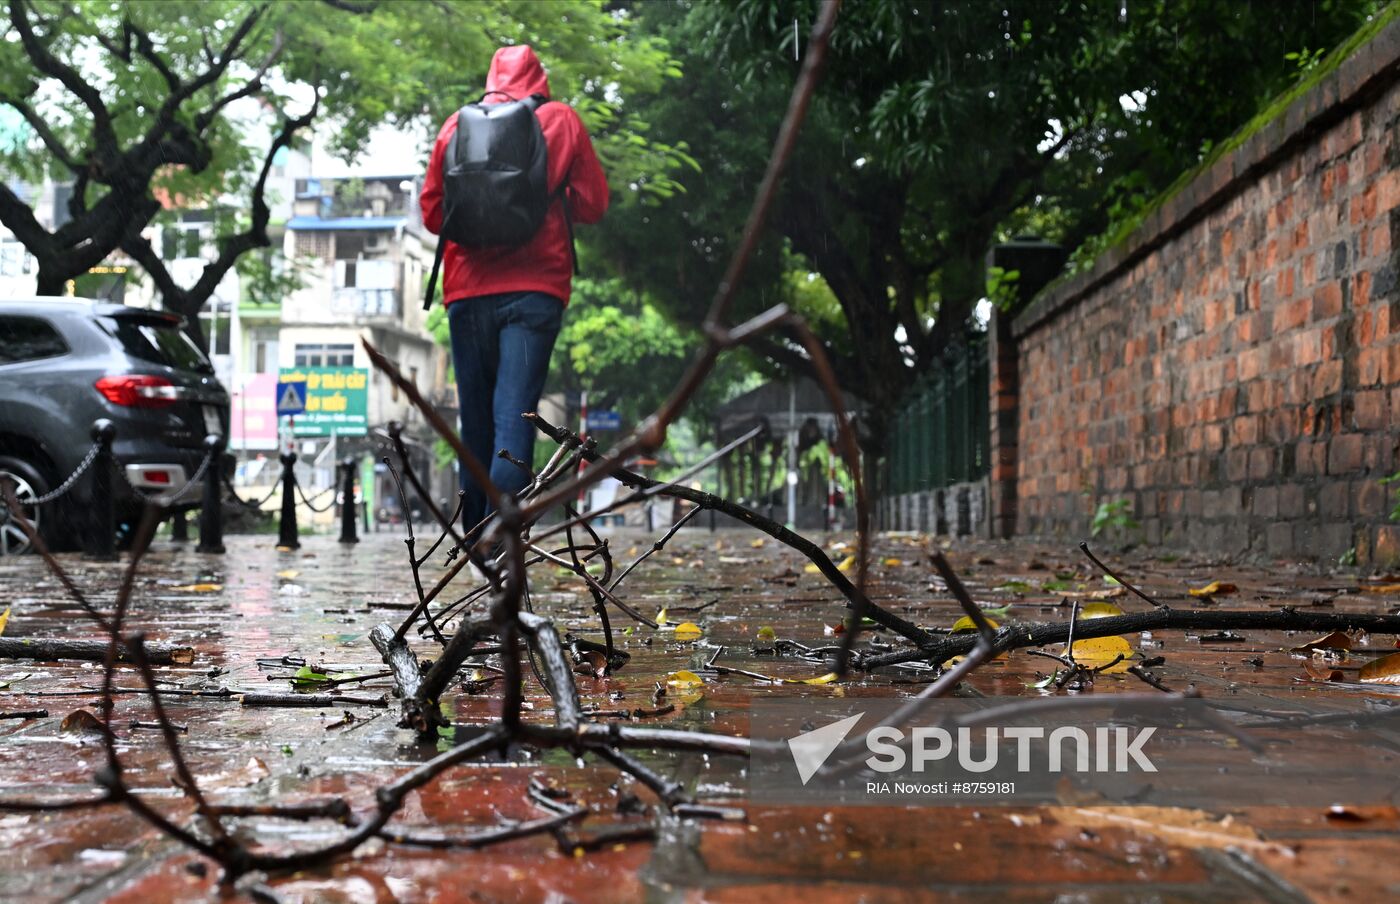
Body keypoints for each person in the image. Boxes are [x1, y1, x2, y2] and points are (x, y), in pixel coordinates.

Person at [420, 45, 608, 534]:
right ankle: (504, 553)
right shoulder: (562, 120)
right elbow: (593, 204)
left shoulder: (454, 126)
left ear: (491, 79)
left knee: (475, 428)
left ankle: (473, 548)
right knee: (513, 422)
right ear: (539, 80)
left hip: (466, 292)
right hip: (534, 290)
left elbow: (433, 214)